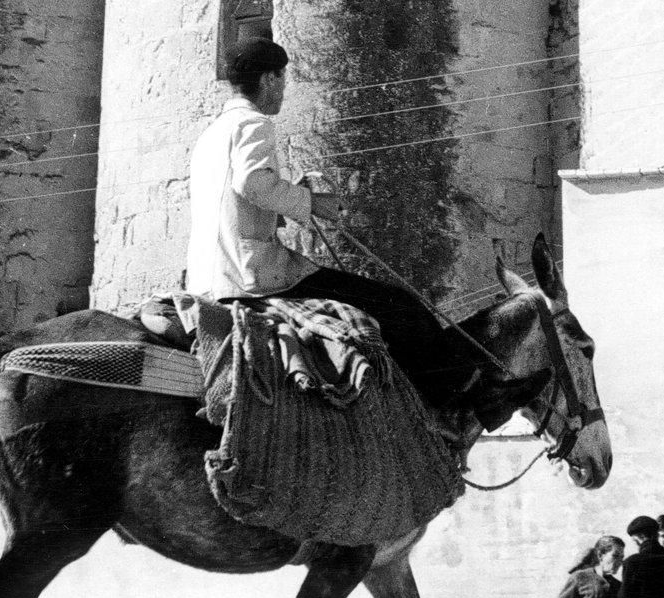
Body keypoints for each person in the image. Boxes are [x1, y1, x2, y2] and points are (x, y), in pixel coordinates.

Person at [186, 38, 479, 404]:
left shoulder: (210, 134)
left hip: (208, 277)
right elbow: (252, 183)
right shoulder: (254, 123)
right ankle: (454, 397)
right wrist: (312, 202)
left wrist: (286, 206)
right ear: (270, 80)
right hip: (251, 276)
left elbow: (233, 204)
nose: (283, 91)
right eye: (283, 81)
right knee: (397, 304)